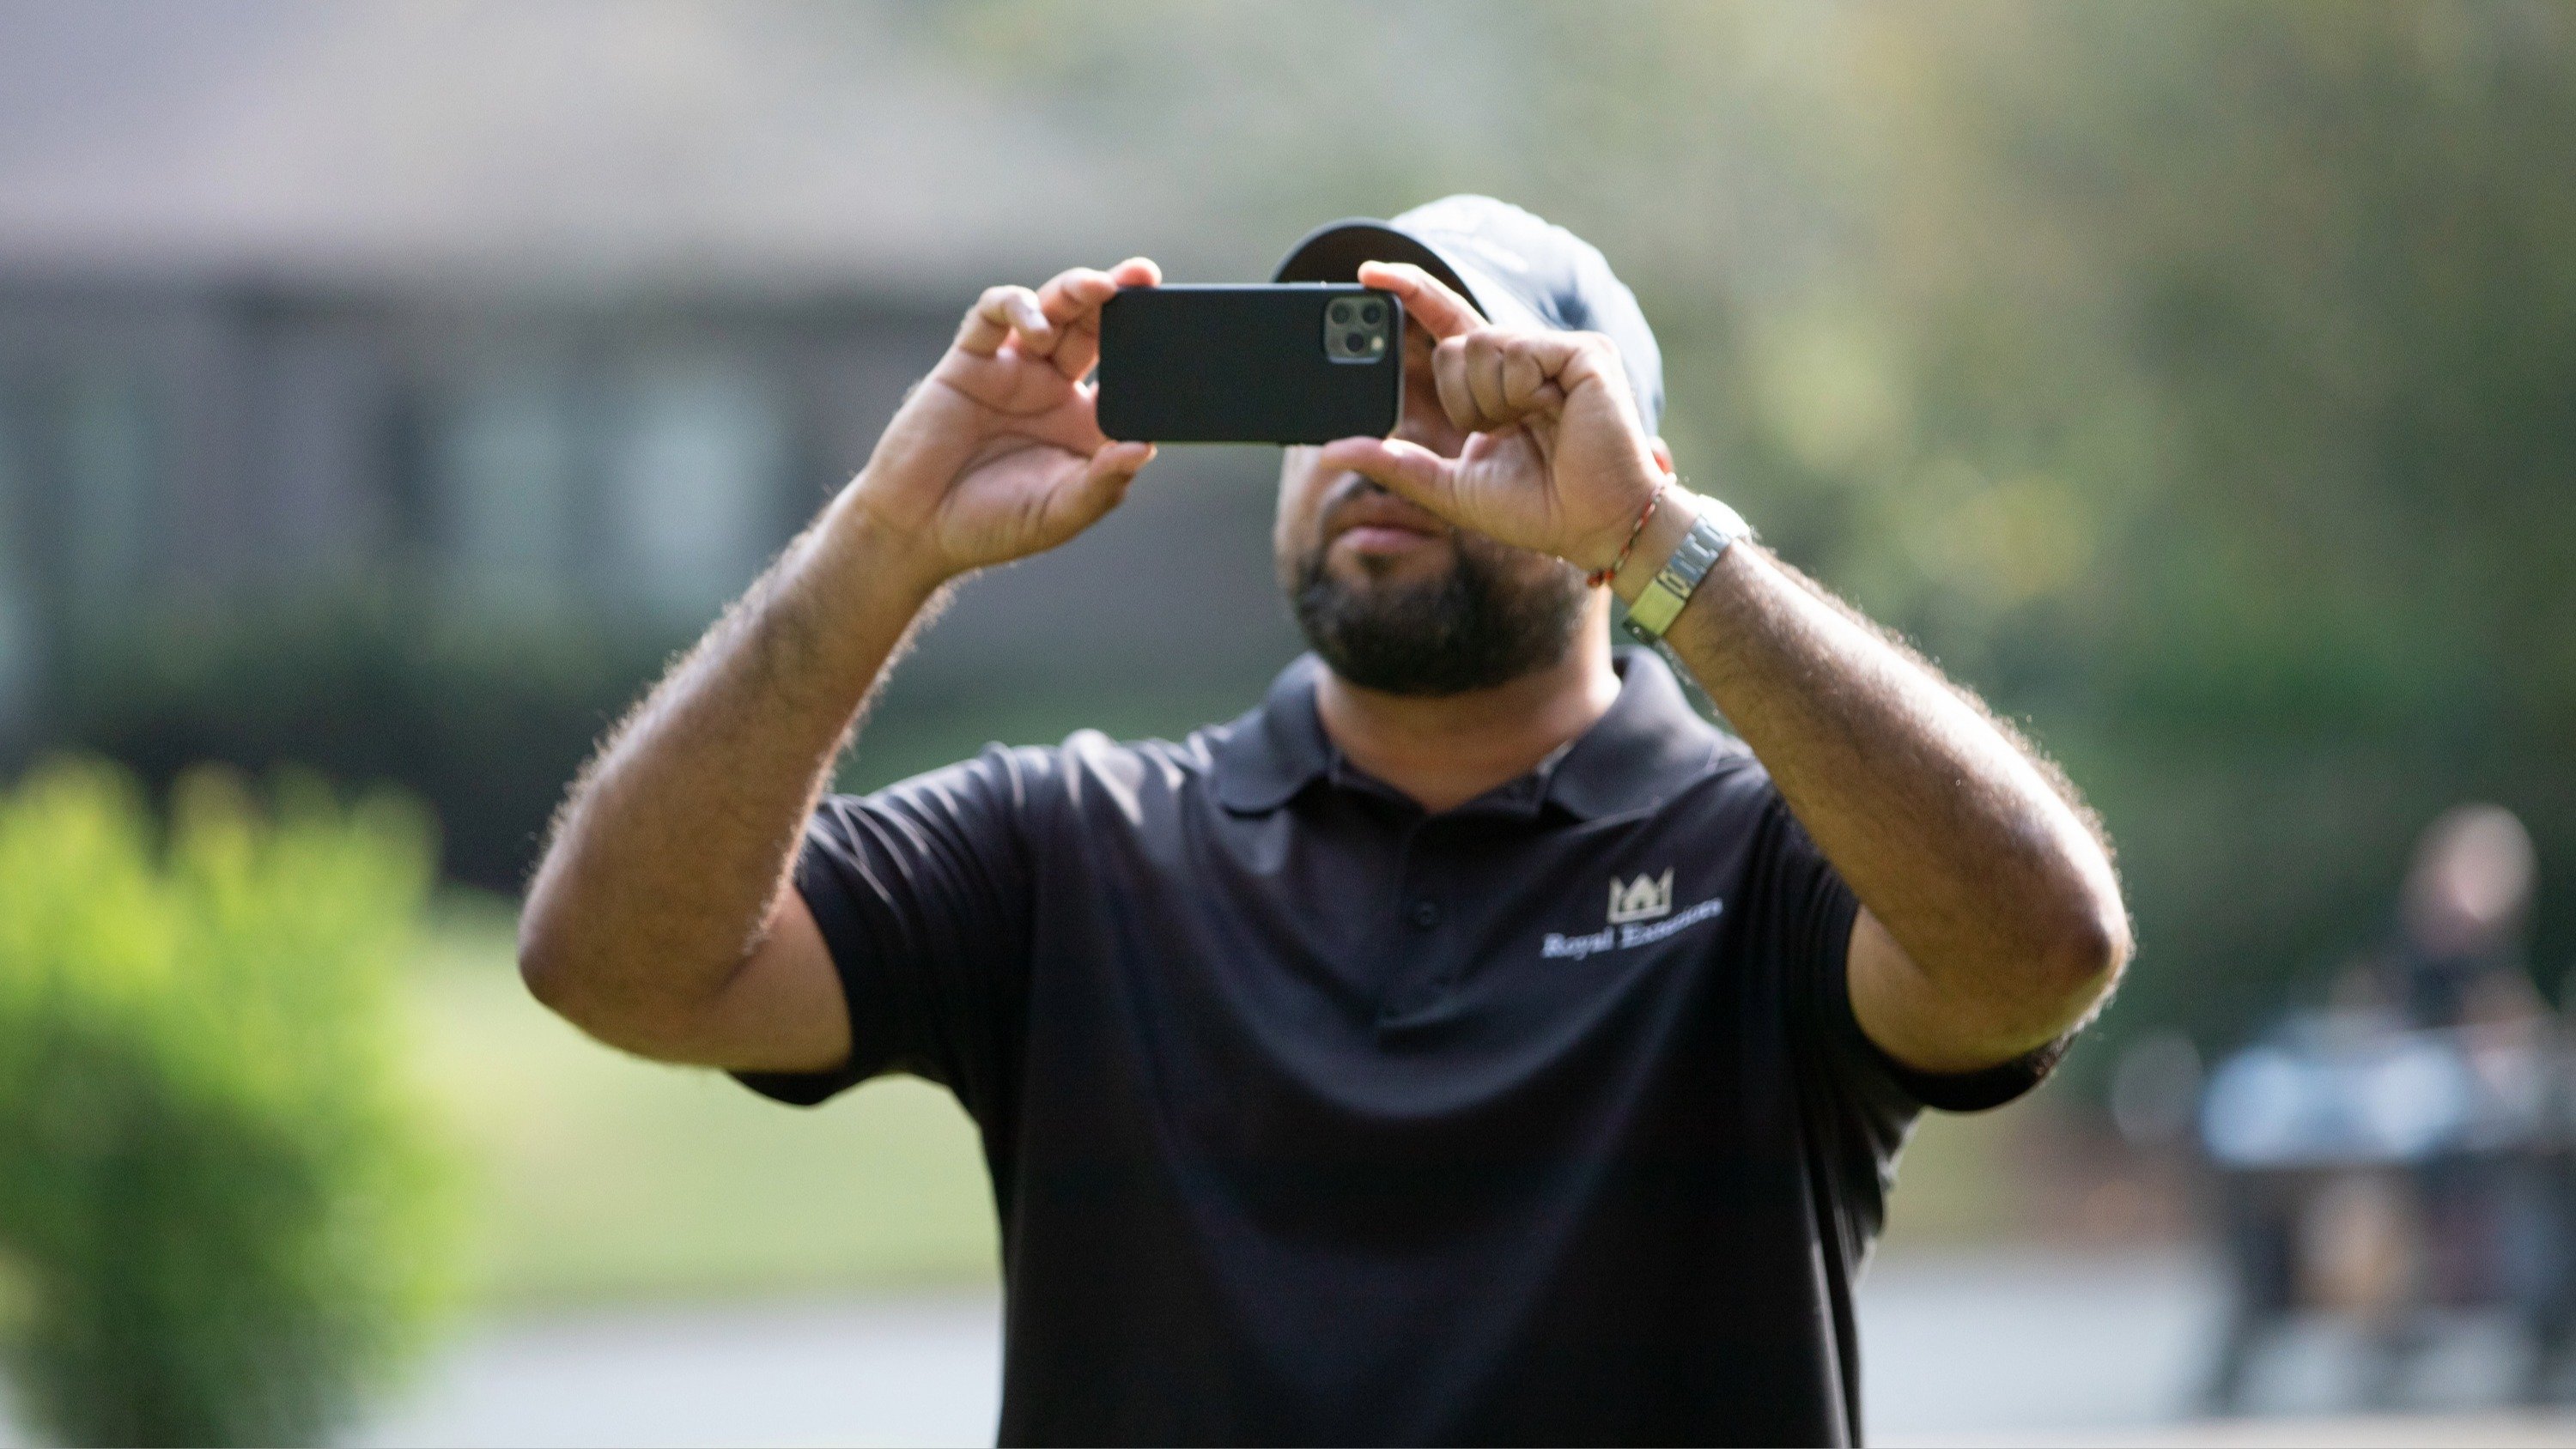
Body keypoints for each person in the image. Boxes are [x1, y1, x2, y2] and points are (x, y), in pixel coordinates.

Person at [519, 197, 2131, 1446]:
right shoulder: (1076, 844)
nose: (1385, 445)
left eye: (1459, 380)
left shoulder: (1770, 858)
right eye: (1338, 375)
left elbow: (2042, 950)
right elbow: (615, 965)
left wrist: (1658, 546)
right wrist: (886, 539)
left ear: (1609, 452)